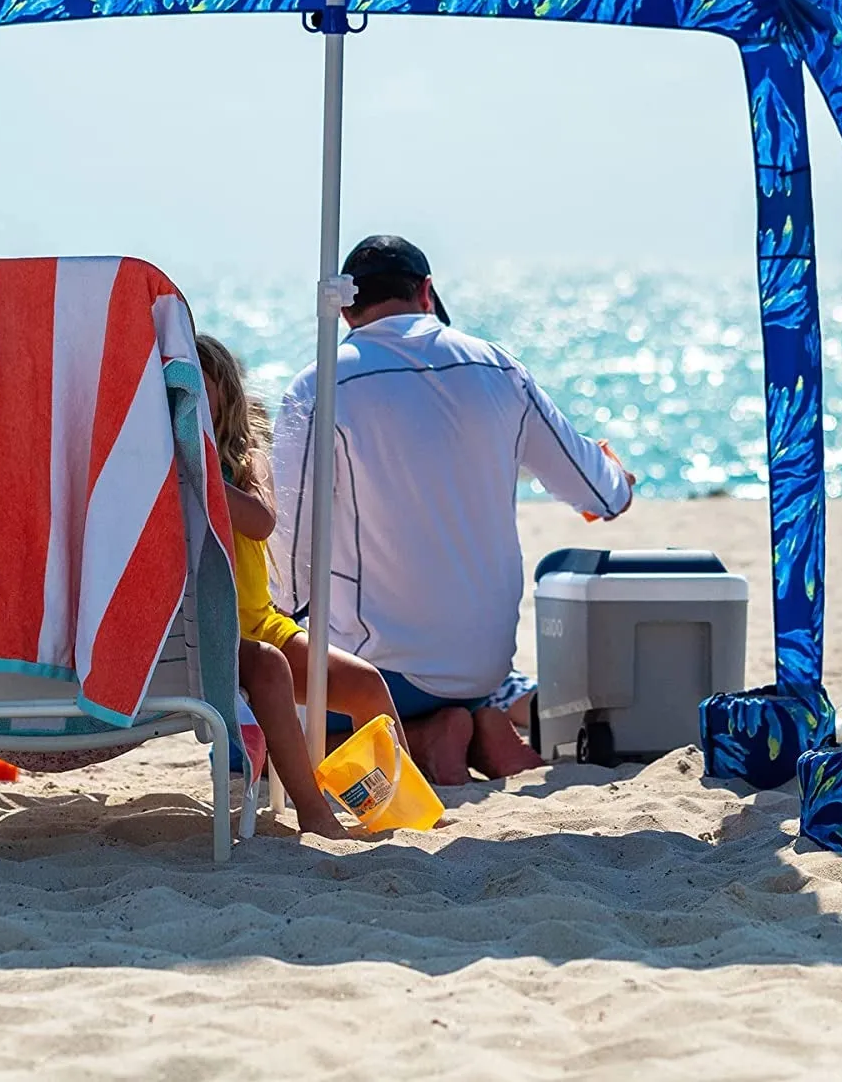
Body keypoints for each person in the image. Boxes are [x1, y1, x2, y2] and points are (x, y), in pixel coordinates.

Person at [270, 236, 635, 786]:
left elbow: (290, 562)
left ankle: (423, 737)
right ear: (427, 291)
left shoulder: (321, 382)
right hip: (484, 664)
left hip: (382, 672)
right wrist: (618, 478)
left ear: (346, 308)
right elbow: (604, 496)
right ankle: (479, 722)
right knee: (484, 671)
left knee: (250, 723)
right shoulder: (501, 369)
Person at [195, 335, 406, 834]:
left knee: (365, 685)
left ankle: (386, 804)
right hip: (206, 635)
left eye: (199, 390)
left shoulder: (245, 462)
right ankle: (314, 814)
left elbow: (261, 521)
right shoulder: (146, 467)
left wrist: (200, 473)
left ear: (225, 392)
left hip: (262, 623)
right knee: (268, 672)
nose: (188, 403)